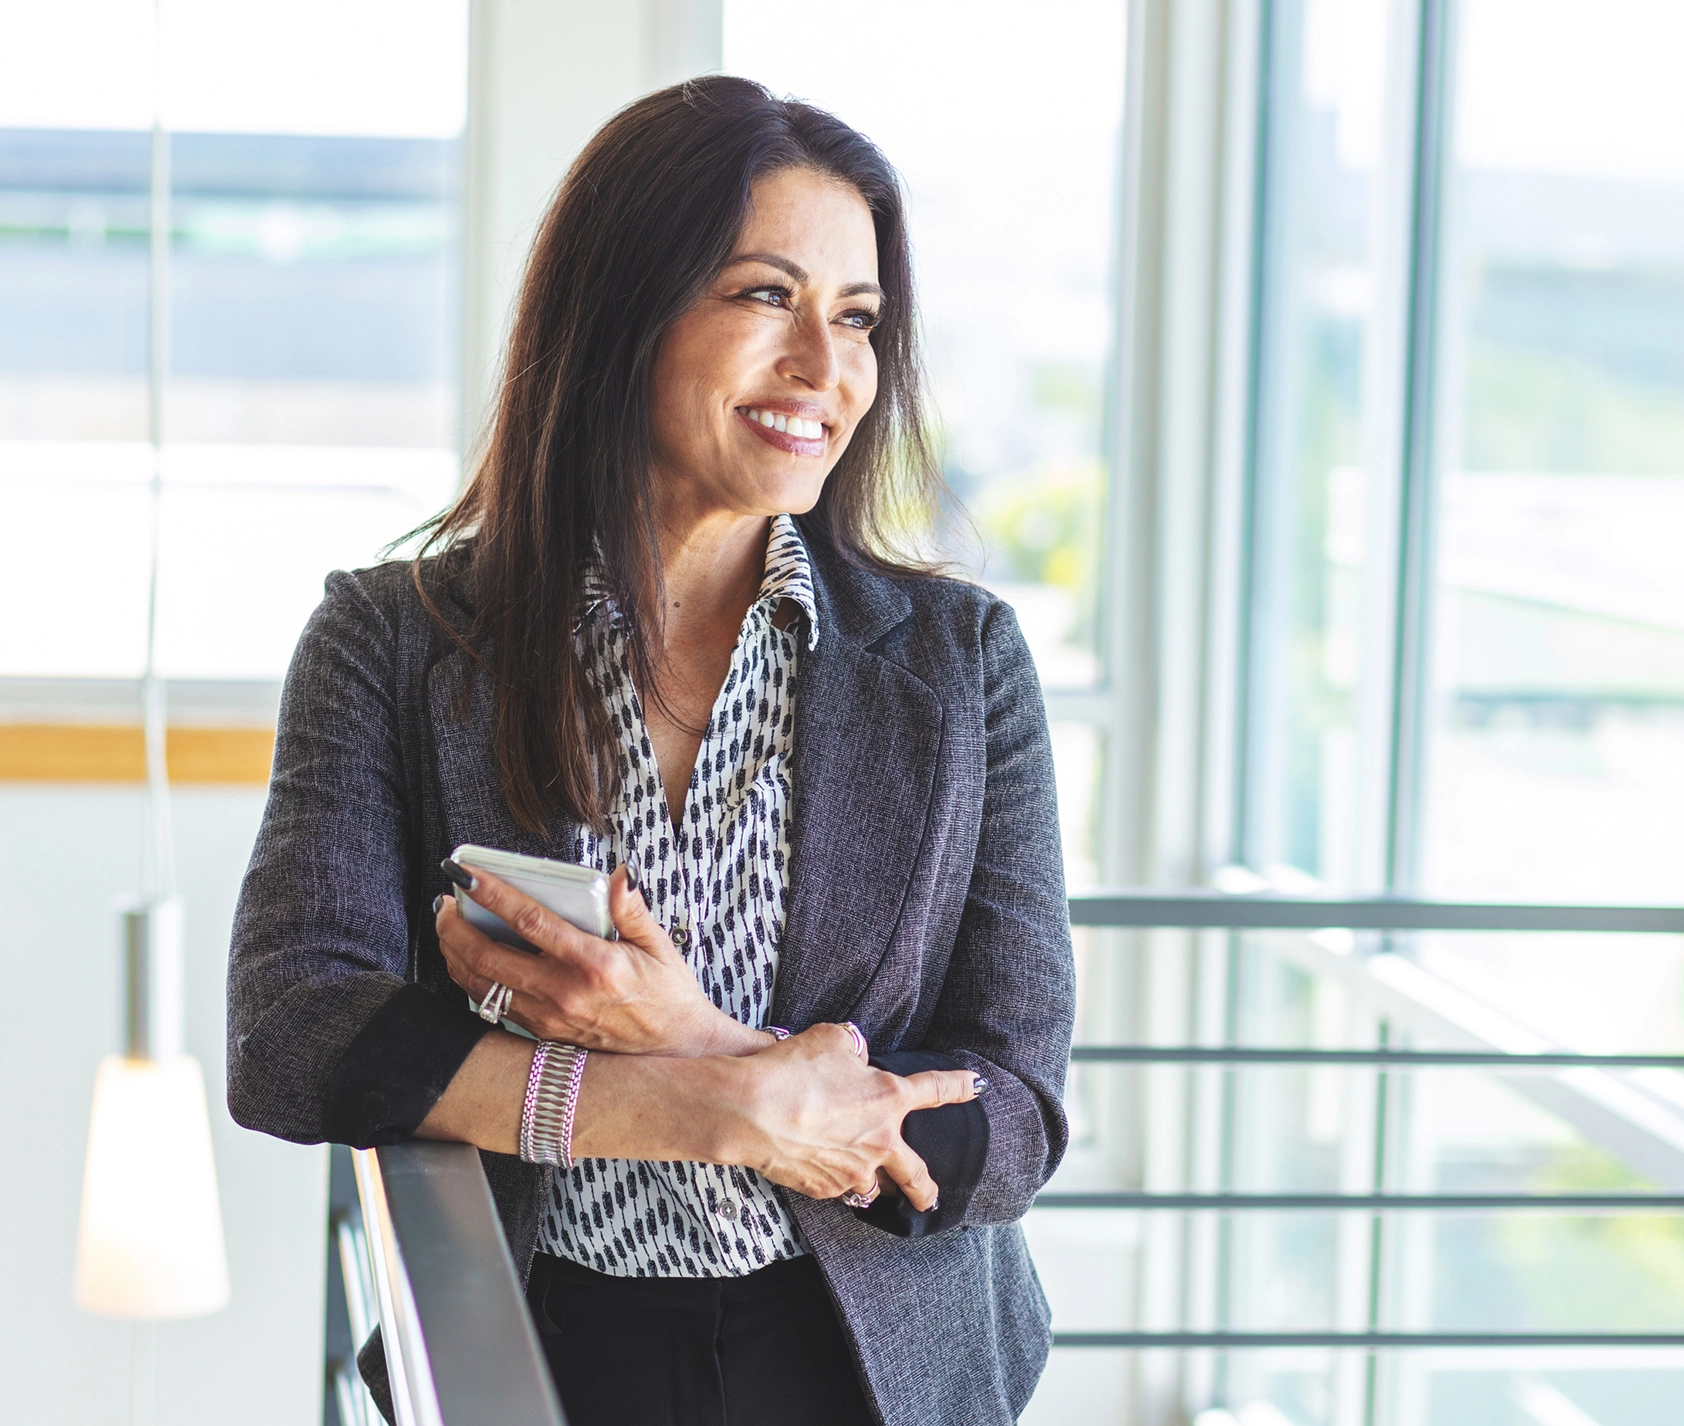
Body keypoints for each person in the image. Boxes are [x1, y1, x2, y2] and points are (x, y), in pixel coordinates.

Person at [226, 76, 1074, 1426]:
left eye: (856, 318)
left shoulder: (961, 661)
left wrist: (693, 1036)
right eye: (764, 297)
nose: (826, 367)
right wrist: (690, 1108)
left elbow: (1015, 1111)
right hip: (543, 1339)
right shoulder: (391, 640)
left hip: (867, 1367)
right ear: (622, 311)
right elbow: (293, 1031)